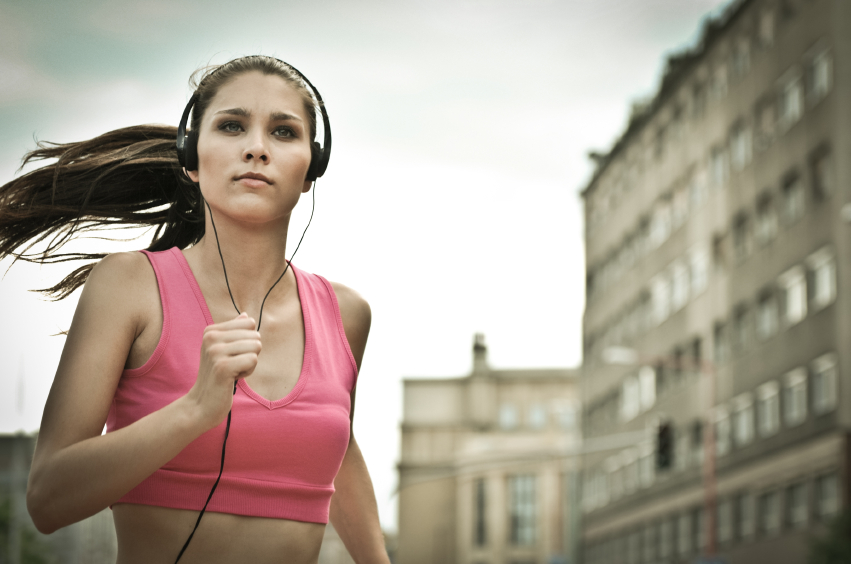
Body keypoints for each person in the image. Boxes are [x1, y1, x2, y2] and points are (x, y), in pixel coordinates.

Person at [2, 56, 390, 563]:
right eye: (232, 126)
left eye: (283, 132)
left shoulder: (346, 313)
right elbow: (48, 499)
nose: (256, 147)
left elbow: (339, 453)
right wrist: (195, 410)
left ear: (311, 169)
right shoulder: (129, 286)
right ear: (191, 155)